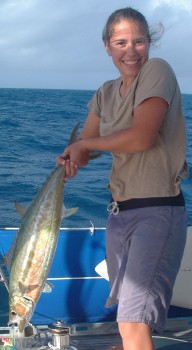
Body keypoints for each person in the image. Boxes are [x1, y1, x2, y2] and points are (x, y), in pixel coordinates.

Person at [56, 7, 189, 350]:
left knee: (133, 319)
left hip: (157, 212)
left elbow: (141, 136)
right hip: (119, 215)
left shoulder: (158, 71)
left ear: (149, 43)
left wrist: (85, 145)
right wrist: (72, 158)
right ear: (107, 46)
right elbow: (84, 146)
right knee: (127, 317)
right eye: (121, 42)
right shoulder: (105, 92)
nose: (131, 51)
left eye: (139, 41)